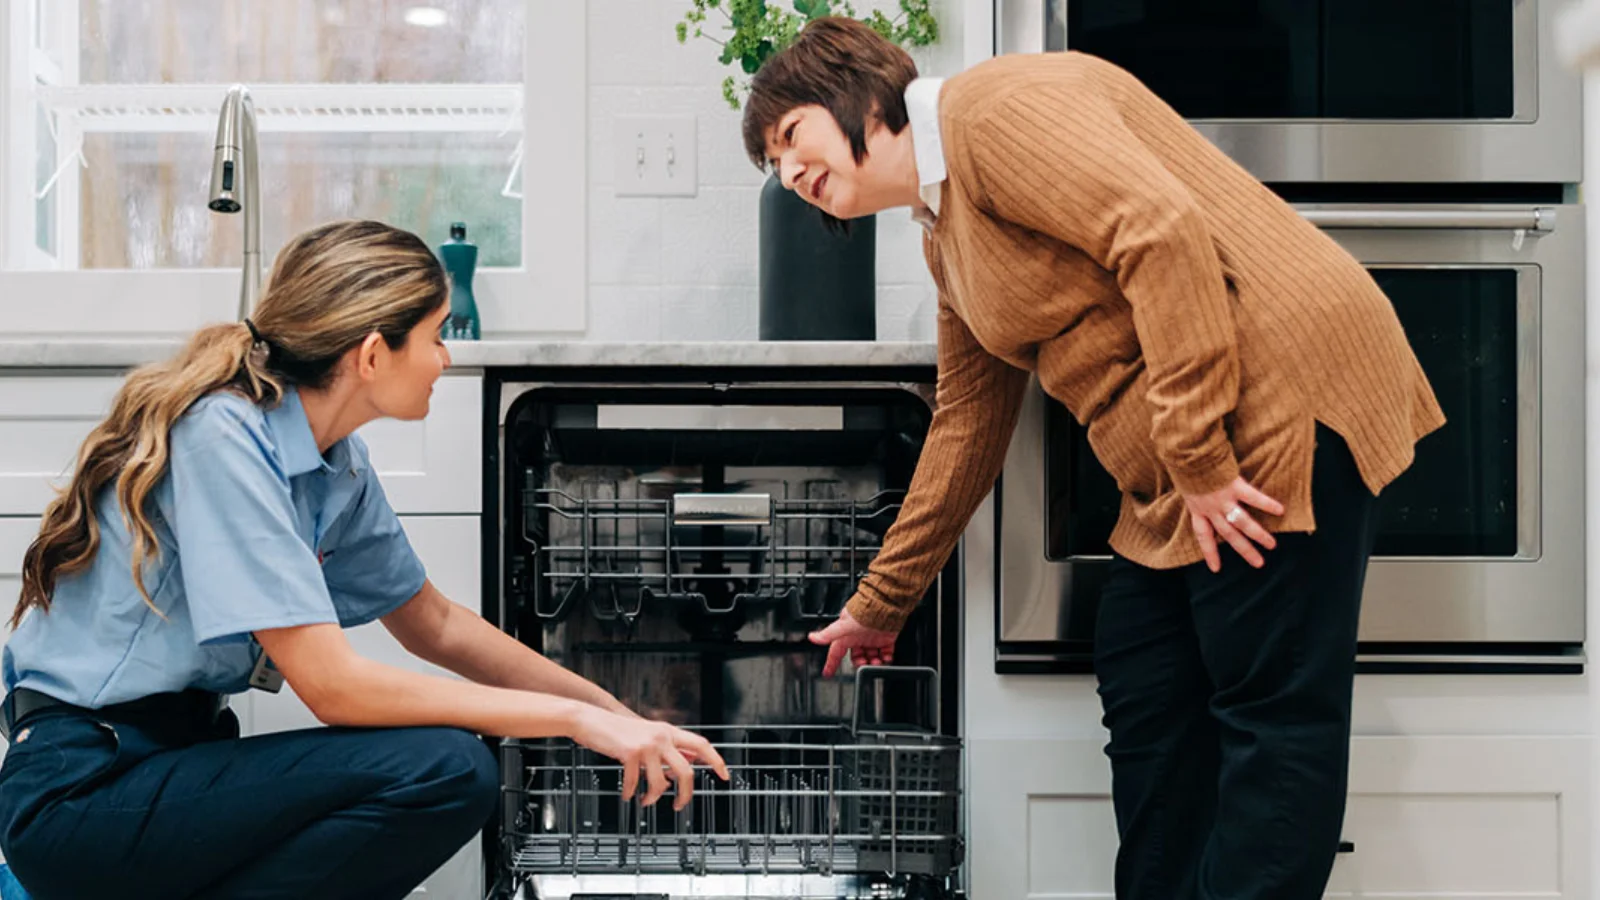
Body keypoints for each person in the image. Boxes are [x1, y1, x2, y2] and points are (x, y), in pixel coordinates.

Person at [744, 18, 1443, 900]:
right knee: (1149, 691)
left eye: (790, 135)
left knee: (1272, 722)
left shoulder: (993, 113)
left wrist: (1194, 458)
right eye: (773, 165)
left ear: (856, 93)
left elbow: (1160, 234)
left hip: (1274, 402)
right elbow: (967, 418)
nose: (789, 172)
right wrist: (884, 602)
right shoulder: (943, 228)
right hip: (1183, 464)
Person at [0, 220, 728, 900]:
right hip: (83, 789)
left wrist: (617, 715)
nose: (448, 358)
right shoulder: (222, 435)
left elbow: (436, 625)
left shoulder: (334, 464)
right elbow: (333, 688)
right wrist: (569, 720)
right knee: (446, 768)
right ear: (373, 354)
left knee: (449, 765)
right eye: (437, 337)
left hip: (176, 761)